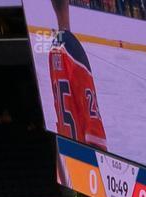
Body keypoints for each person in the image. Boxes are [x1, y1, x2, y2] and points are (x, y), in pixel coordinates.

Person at [43, 0, 108, 149]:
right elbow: (92, 118)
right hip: (83, 152)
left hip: (67, 150)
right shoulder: (73, 51)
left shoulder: (54, 48)